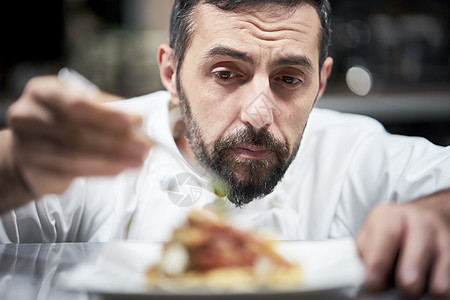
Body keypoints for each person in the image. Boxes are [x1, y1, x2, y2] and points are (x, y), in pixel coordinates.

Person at [0, 0, 448, 297]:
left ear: (321, 82)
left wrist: (438, 213)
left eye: (289, 79)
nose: (258, 113)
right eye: (226, 73)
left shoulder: (354, 153)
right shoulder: (93, 154)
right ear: (171, 72)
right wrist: (16, 170)